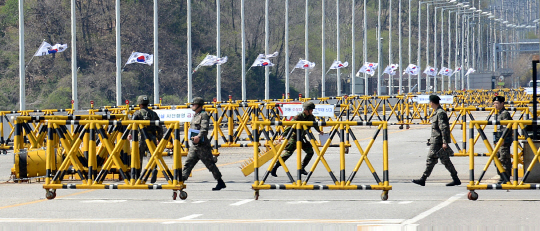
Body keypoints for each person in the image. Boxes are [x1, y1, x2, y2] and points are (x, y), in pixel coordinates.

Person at [412, 95, 460, 186]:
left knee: (431, 159)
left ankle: (423, 179)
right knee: (445, 160)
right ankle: (455, 178)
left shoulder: (440, 113)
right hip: (436, 141)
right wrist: (431, 140)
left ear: (432, 102)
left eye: (429, 102)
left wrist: (445, 142)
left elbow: (444, 128)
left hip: (438, 142)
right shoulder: (437, 112)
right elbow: (437, 129)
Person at [182, 97, 226, 191]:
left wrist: (199, 136)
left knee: (210, 164)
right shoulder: (195, 115)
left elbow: (204, 128)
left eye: (194, 104)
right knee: (188, 163)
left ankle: (220, 181)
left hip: (202, 145)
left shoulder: (204, 115)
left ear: (199, 106)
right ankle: (181, 181)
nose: (192, 106)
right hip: (194, 145)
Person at [271, 101, 324, 177]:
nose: (312, 111)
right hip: (294, 138)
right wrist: (282, 135)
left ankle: (302, 168)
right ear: (306, 110)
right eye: (311, 110)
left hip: (302, 138)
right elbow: (289, 126)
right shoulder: (298, 117)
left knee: (310, 152)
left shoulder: (311, 117)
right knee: (287, 154)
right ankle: (274, 168)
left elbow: (314, 124)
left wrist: (319, 131)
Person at [129, 95, 163, 183]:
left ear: (139, 104)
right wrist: (159, 138)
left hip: (141, 138)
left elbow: (133, 124)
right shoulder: (153, 113)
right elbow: (159, 127)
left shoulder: (137, 113)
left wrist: (130, 134)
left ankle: (137, 176)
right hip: (151, 138)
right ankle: (153, 170)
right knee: (151, 156)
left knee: (138, 157)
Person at [493, 96, 512, 184]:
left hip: (504, 140)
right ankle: (502, 176)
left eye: (497, 103)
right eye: (494, 104)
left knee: (504, 159)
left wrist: (502, 139)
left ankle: (506, 178)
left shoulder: (505, 113)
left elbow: (506, 127)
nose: (495, 105)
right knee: (497, 158)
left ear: (502, 103)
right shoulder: (498, 113)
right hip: (499, 140)